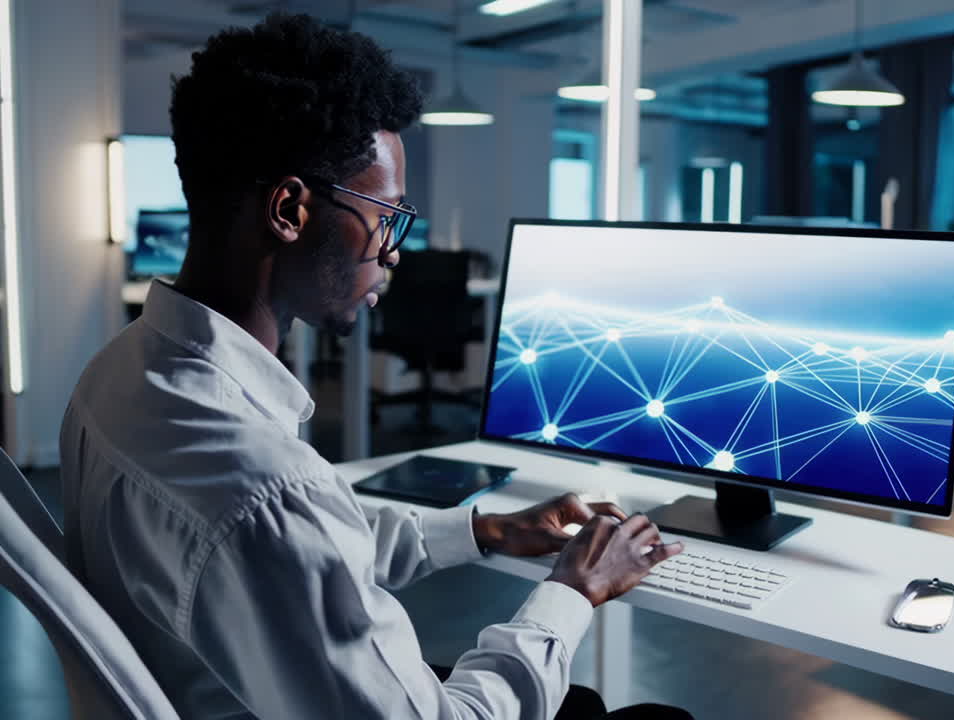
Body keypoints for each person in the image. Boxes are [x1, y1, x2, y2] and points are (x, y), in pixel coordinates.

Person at [60, 13, 690, 720]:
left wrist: (485, 530)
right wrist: (575, 589)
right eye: (385, 215)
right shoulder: (267, 487)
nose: (392, 251)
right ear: (290, 208)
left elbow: (303, 550)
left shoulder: (113, 378)